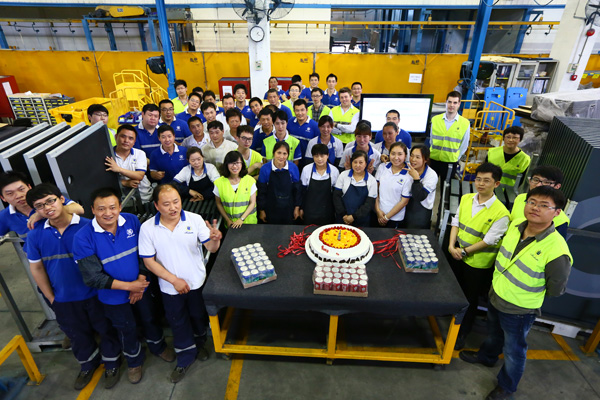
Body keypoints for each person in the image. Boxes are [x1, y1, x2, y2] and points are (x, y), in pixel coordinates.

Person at [460, 186, 572, 400]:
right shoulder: (515, 226)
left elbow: (556, 288)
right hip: (496, 295)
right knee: (493, 334)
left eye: (544, 205)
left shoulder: (557, 250)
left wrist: (524, 294)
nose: (535, 208)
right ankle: (487, 357)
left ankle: (507, 387)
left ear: (557, 213)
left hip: (520, 309)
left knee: (514, 351)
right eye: (532, 202)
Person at [73, 187, 175, 385]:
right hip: (113, 297)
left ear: (120, 206)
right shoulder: (83, 237)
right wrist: (131, 287)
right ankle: (134, 361)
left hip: (142, 288)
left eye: (112, 207)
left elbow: (145, 253)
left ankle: (159, 347)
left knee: (150, 319)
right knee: (125, 328)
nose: (108, 213)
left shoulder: (132, 221)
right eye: (101, 209)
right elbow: (93, 277)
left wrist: (140, 282)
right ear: (92, 210)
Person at [26, 183, 121, 390]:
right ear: (35, 210)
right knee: (77, 334)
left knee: (106, 329)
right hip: (64, 297)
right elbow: (37, 269)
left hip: (96, 294)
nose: (47, 207)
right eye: (40, 206)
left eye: (50, 201)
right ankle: (87, 364)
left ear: (62, 199)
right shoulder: (35, 235)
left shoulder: (89, 226)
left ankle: (112, 362)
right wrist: (52, 298)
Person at [139, 183, 222, 383]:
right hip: (170, 288)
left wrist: (215, 239)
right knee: (178, 321)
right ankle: (185, 357)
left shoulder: (194, 219)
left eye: (176, 202)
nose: (173, 207)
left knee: (197, 316)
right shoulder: (148, 228)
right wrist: (174, 280)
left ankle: (199, 344)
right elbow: (149, 262)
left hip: (196, 282)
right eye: (166, 204)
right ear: (156, 206)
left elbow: (211, 248)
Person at [448, 162, 510, 350]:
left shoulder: (501, 213)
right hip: (457, 254)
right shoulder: (466, 198)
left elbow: (489, 240)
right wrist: (451, 246)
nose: (481, 184)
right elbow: (456, 222)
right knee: (454, 290)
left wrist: (463, 251)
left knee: (469, 299)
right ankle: (450, 318)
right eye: (478, 179)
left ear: (496, 184)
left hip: (477, 264)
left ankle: (462, 332)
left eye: (486, 180)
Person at [0, 171, 84, 248]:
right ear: (3, 198)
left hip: (71, 246)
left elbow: (79, 209)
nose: (18, 196)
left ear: (29, 187)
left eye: (21, 189)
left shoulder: (47, 198)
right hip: (39, 254)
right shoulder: (4, 216)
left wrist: (42, 213)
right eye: (10, 193)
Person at [509, 165, 570, 238]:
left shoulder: (561, 220)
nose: (538, 185)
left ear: (557, 186)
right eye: (536, 180)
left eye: (546, 182)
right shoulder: (520, 198)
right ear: (530, 181)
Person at [105, 125, 153, 204]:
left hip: (145, 196)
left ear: (134, 142)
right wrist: (125, 183)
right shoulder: (107, 156)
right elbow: (104, 181)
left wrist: (118, 169)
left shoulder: (140, 153)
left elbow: (139, 175)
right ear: (116, 137)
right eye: (123, 136)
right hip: (118, 200)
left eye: (131, 138)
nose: (126, 141)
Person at [429, 91, 470, 182]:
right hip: (434, 159)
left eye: (455, 103)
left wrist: (455, 157)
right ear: (446, 102)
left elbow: (464, 145)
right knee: (430, 184)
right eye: (450, 102)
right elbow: (431, 140)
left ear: (459, 104)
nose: (452, 105)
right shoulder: (435, 120)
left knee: (446, 187)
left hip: (450, 162)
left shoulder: (465, 123)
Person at [257, 141, 302, 224]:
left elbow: (297, 190)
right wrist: (261, 210)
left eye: (285, 154)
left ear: (288, 155)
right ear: (273, 153)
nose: (281, 156)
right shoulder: (265, 168)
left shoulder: (293, 168)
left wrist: (297, 208)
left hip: (289, 208)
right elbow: (262, 191)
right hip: (271, 208)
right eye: (279, 153)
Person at [214, 151, 258, 228]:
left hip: (249, 223)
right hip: (231, 224)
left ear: (242, 164)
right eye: (231, 163)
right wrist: (227, 219)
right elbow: (218, 203)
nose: (234, 166)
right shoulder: (219, 183)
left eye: (237, 163)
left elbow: (252, 203)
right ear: (226, 165)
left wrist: (241, 219)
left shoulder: (250, 181)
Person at [333, 150, 377, 227]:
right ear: (351, 163)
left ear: (366, 163)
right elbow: (336, 197)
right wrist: (344, 215)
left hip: (362, 220)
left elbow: (369, 204)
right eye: (355, 162)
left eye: (361, 162)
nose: (357, 165)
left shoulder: (372, 180)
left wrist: (354, 217)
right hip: (343, 218)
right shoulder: (343, 175)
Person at [374, 142, 411, 229]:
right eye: (393, 154)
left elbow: (404, 201)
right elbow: (375, 191)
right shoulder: (382, 167)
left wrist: (386, 218)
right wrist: (378, 211)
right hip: (378, 214)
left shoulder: (409, 174)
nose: (396, 157)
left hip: (395, 218)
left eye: (400, 154)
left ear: (405, 156)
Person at [300, 144, 339, 225]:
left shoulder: (334, 171)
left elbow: (336, 195)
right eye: (316, 156)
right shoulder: (306, 169)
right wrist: (301, 208)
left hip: (327, 211)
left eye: (322, 156)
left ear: (328, 155)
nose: (319, 159)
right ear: (313, 157)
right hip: (310, 211)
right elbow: (302, 192)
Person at [403, 145, 438, 229]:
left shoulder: (431, 175)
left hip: (422, 207)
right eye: (412, 156)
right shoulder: (406, 167)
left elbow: (420, 196)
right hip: (405, 202)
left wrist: (416, 179)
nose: (413, 159)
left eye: (418, 157)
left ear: (425, 160)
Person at [287, 99, 319, 164]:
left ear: (306, 110)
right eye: (297, 110)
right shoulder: (289, 122)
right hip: (292, 161)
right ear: (294, 111)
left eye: (302, 110)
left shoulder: (315, 126)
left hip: (307, 161)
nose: (300, 113)